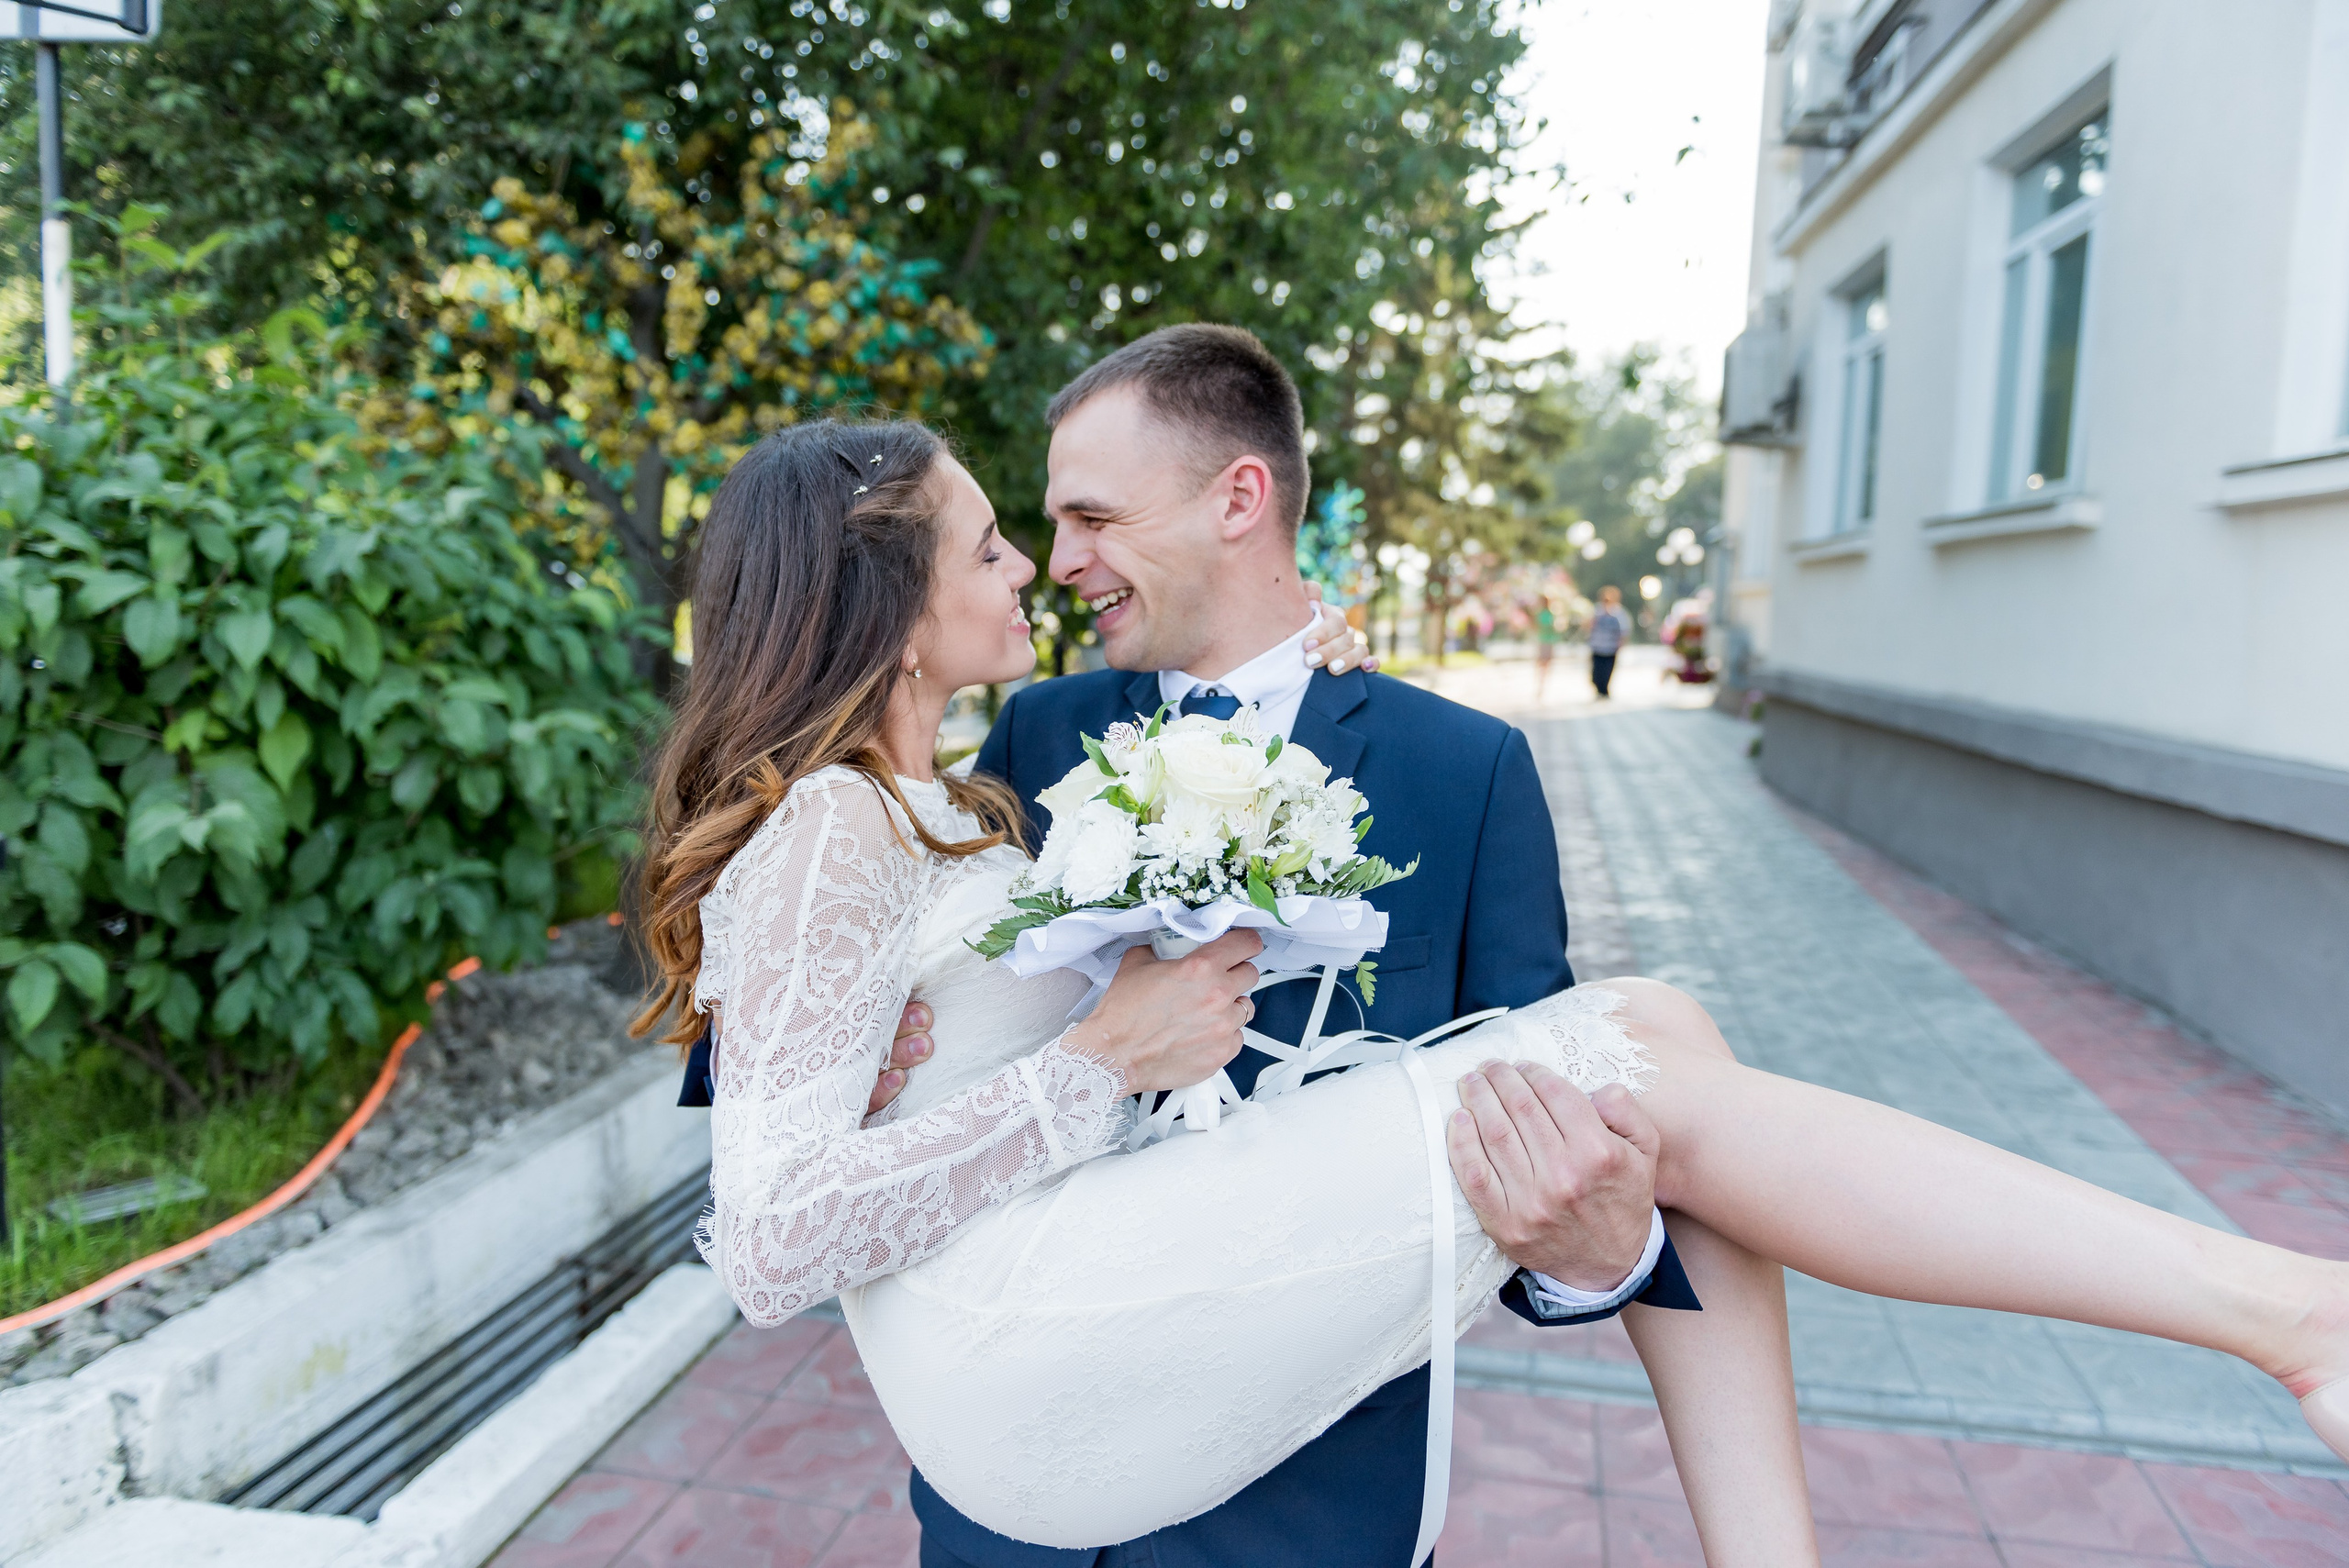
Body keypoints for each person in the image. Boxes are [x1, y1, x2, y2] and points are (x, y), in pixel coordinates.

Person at [637, 335, 2349, 1568]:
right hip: (1029, 1476)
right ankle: (2281, 1312)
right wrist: (992, 1060)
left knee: (1644, 1068)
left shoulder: (1460, 768)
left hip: (1312, 1503)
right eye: (1018, 534)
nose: (1053, 560)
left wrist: (1603, 1253)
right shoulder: (1031, 744)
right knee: (1652, 1042)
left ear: (1239, 498)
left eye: (1086, 518)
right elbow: (797, 1038)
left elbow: (1556, 1202)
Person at [1589, 584, 1628, 698]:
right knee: (1596, 673)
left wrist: (1621, 643)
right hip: (1597, 646)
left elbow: (1624, 630)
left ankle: (1604, 690)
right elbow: (1589, 626)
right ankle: (1599, 689)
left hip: (1611, 647)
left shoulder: (1619, 613)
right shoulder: (1597, 611)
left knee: (1606, 672)